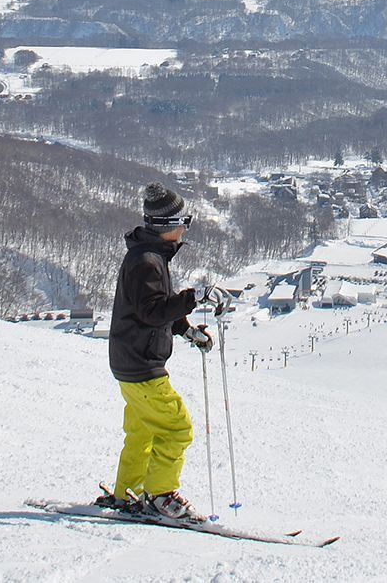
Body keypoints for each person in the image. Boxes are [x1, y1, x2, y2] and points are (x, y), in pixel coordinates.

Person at [102, 182, 225, 520]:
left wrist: (187, 330)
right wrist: (194, 296)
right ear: (168, 225)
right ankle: (160, 495)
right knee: (176, 428)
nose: (186, 226)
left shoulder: (149, 256)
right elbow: (152, 311)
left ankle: (126, 493)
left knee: (142, 431)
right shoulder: (147, 261)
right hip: (143, 365)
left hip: (129, 360)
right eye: (185, 220)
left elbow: (153, 311)